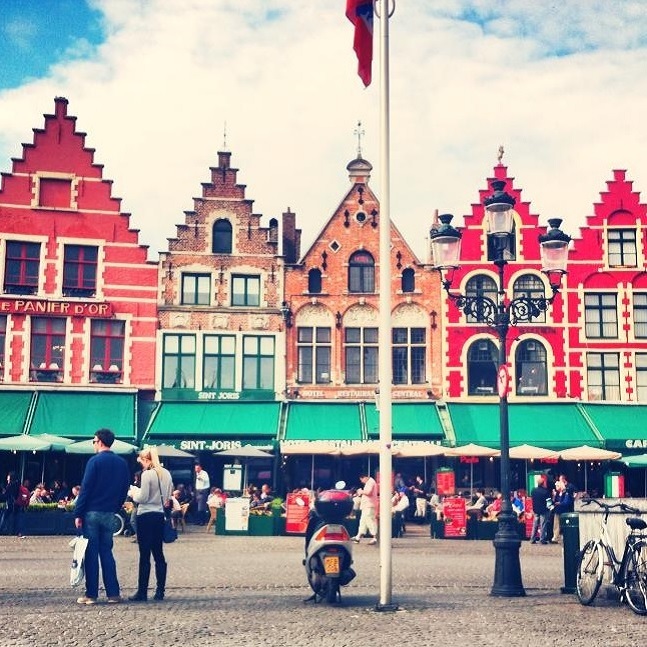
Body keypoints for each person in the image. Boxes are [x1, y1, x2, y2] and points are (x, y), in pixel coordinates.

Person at [74, 428, 130, 605]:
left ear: (99, 441)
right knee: (107, 551)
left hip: (91, 512)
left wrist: (78, 512)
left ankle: (91, 595)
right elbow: (124, 488)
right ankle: (113, 593)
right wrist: (115, 506)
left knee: (91, 553)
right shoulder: (122, 463)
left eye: (93, 441)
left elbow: (86, 488)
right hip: (109, 513)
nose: (93, 444)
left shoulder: (94, 462)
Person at [128, 446, 174, 602]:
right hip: (159, 515)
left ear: (146, 459)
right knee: (159, 553)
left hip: (145, 516)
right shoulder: (166, 474)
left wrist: (133, 492)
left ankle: (142, 592)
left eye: (141, 460)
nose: (141, 463)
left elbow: (143, 498)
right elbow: (168, 497)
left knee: (145, 554)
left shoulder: (147, 474)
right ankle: (160, 591)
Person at [351, 472, 378, 545]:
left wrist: (361, 491)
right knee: (363, 521)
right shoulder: (370, 482)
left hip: (369, 505)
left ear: (364, 477)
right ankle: (358, 537)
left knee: (370, 520)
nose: (362, 482)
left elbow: (368, 492)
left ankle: (375, 536)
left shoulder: (370, 482)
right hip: (367, 505)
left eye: (361, 480)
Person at [530, 475, 550, 544]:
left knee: (535, 525)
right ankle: (542, 539)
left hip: (536, 510)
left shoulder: (533, 491)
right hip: (543, 510)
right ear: (543, 483)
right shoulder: (545, 492)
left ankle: (532, 538)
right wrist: (550, 508)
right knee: (543, 525)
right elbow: (549, 502)